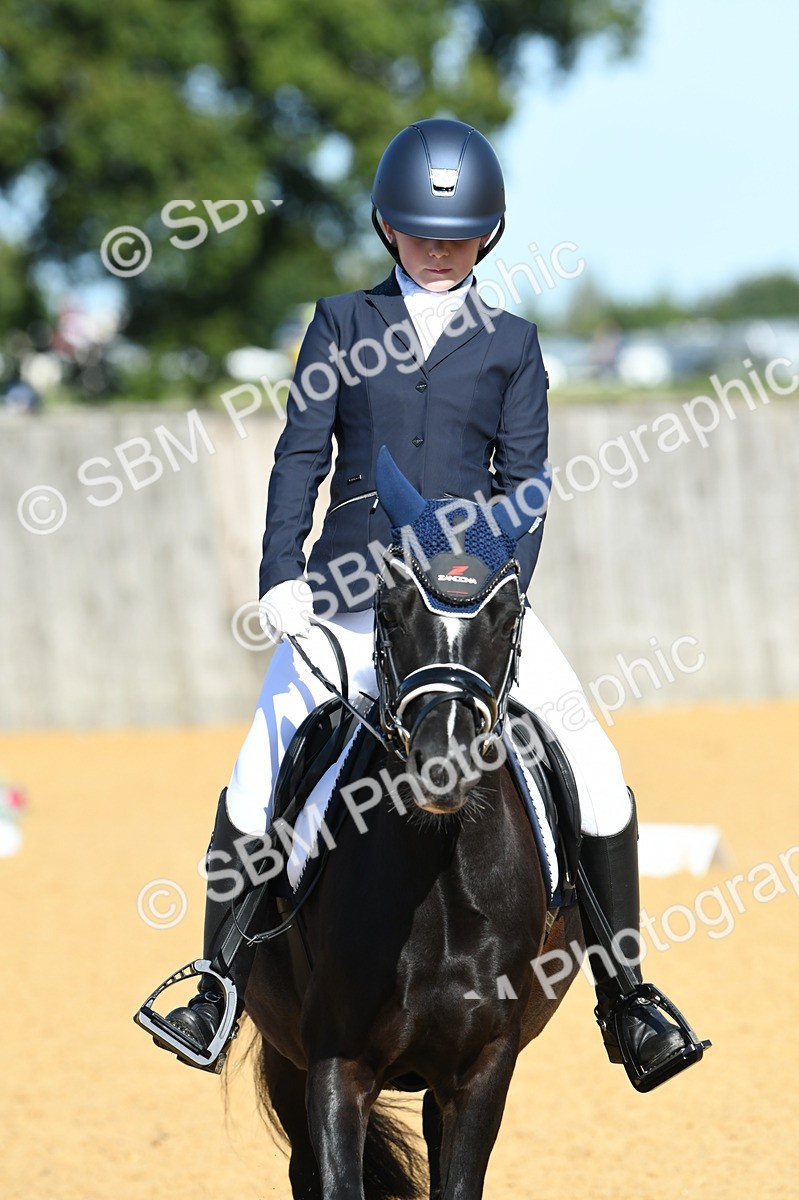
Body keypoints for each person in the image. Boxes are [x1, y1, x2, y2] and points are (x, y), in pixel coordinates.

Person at [145, 118, 707, 1088]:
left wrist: (494, 597)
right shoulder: (339, 325)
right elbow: (299, 455)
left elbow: (526, 484)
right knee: (253, 777)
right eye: (417, 232)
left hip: (472, 609)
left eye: (455, 235)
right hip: (355, 601)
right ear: (384, 226)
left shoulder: (514, 345)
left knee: (600, 774)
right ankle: (215, 986)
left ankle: (628, 1000)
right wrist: (281, 571)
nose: (436, 249)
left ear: (486, 235)